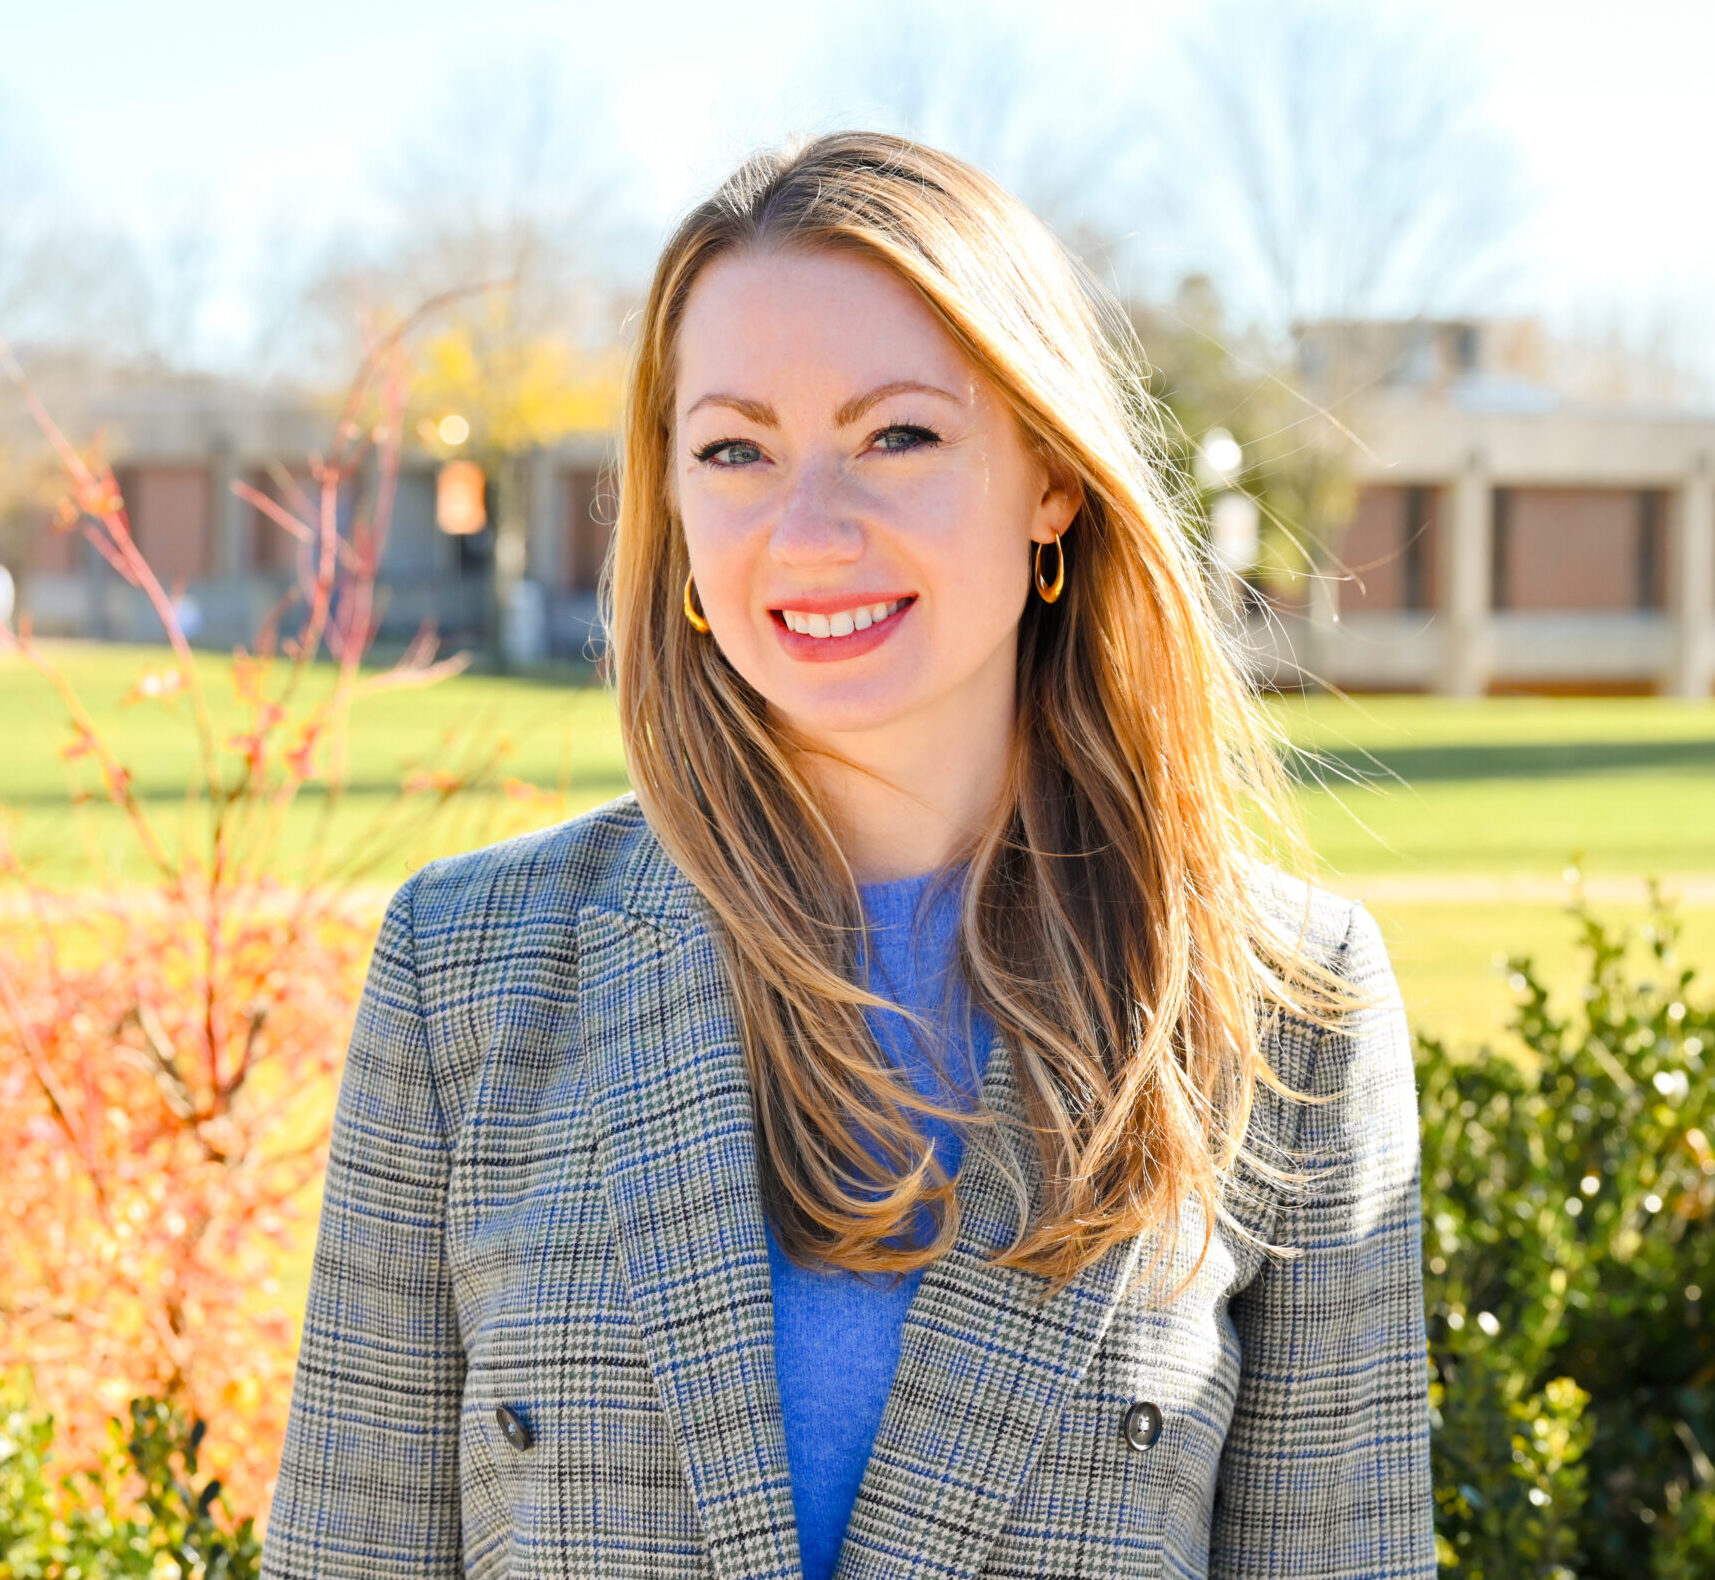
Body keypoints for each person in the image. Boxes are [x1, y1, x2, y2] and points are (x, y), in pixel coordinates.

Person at [261, 132, 1433, 1580]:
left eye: (898, 436)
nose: (810, 531)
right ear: (677, 507)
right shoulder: (468, 969)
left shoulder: (1284, 1004)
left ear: (1051, 480)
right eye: (736, 449)